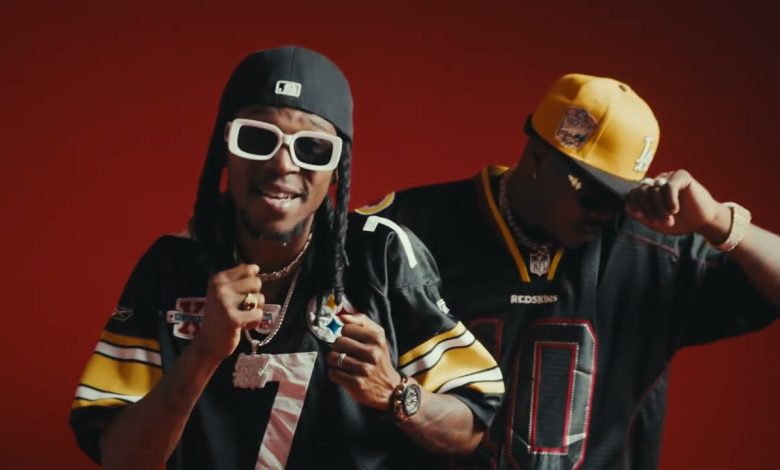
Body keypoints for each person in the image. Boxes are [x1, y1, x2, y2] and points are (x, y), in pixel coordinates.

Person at [69, 46, 504, 470]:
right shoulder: (172, 264)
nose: (282, 165)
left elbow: (471, 427)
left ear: (338, 166)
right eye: (258, 139)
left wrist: (394, 392)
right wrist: (202, 353)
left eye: (312, 147)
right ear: (225, 147)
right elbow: (121, 458)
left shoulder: (381, 256)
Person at [364, 73, 780, 469]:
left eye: (621, 197)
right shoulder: (409, 229)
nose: (606, 213)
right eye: (595, 194)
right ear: (539, 156)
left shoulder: (651, 246)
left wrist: (719, 222)